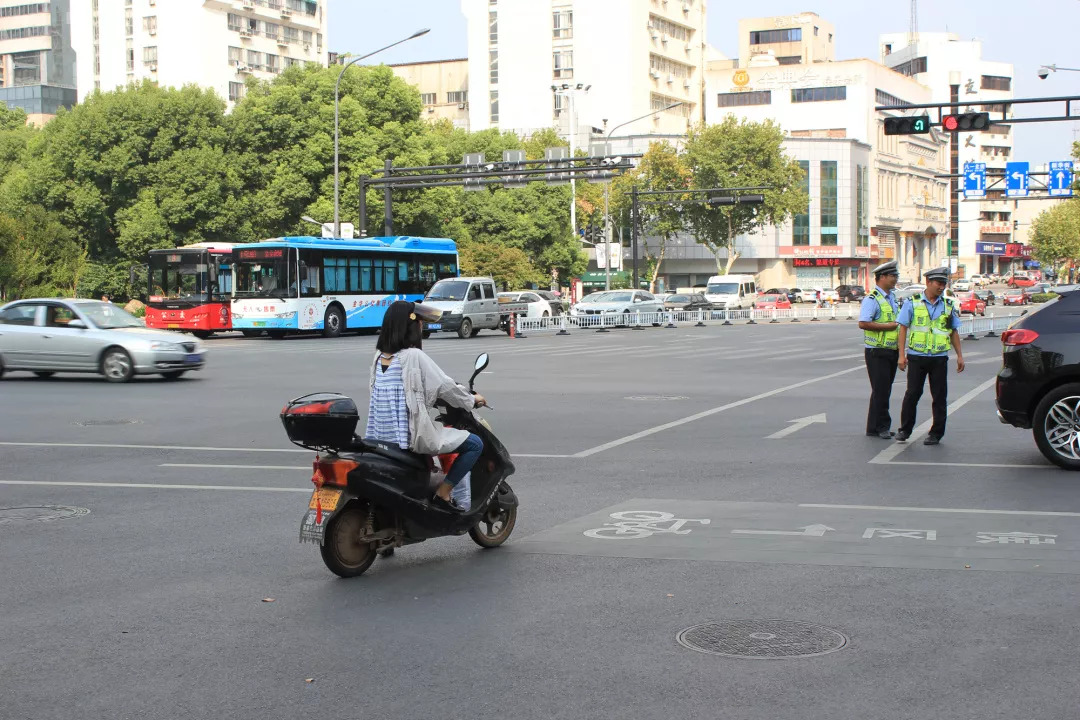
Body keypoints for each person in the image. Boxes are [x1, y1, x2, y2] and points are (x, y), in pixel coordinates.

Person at [367, 300, 485, 512]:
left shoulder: (379, 358)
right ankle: (444, 492)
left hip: (380, 438)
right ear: (410, 325)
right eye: (420, 322)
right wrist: (472, 399)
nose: (422, 327)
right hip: (409, 438)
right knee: (475, 444)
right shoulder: (413, 356)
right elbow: (446, 386)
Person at [896, 266, 965, 445]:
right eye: (938, 283)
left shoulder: (948, 306)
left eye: (944, 283)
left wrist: (959, 355)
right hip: (917, 356)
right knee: (912, 394)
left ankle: (936, 433)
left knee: (940, 396)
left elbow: (953, 332)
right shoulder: (912, 302)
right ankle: (905, 430)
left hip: (939, 357)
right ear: (928, 282)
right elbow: (902, 328)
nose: (941, 287)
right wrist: (901, 356)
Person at [858, 261, 900, 439]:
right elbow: (863, 323)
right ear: (882, 277)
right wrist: (887, 326)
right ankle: (882, 426)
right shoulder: (872, 299)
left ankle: (873, 427)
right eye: (893, 276)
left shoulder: (892, 297)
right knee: (881, 390)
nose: (895, 279)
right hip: (877, 351)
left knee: (882, 389)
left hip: (891, 349)